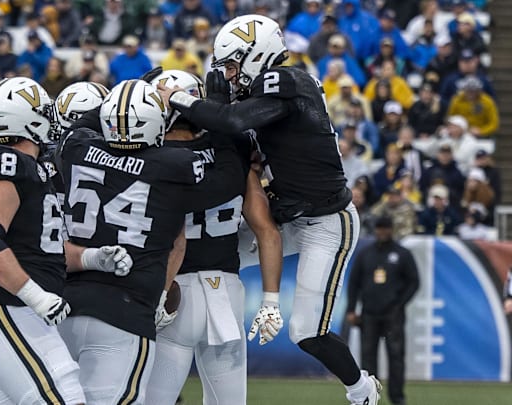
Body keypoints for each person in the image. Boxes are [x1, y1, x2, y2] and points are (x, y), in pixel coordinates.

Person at [158, 14, 382, 405]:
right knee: (213, 253)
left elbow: (233, 119)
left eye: (231, 65)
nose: (228, 76)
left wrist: (178, 98)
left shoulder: (288, 79)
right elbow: (234, 121)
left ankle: (362, 389)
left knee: (306, 331)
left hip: (329, 222)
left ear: (255, 54)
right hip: (291, 214)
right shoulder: (267, 92)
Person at [57, 79, 205, 404]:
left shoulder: (76, 149)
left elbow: (81, 126)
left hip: (67, 304)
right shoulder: (175, 165)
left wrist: (115, 104)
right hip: (126, 310)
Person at [145, 70, 283, 404]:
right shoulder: (231, 153)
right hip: (225, 292)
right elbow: (266, 230)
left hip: (171, 289)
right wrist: (271, 301)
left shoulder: (149, 157)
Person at [0, 77, 87, 405]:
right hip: (5, 305)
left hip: (17, 310)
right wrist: (36, 296)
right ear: (25, 119)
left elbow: (48, 249)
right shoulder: (4, 161)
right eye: (44, 111)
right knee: (63, 399)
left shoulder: (36, 168)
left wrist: (95, 257)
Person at [346, 216, 420, 405]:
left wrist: (399, 303)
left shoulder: (402, 254)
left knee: (396, 356)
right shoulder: (366, 254)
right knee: (368, 358)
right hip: (369, 313)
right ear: (375, 230)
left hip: (393, 314)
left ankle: (397, 397)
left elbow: (414, 282)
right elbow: (354, 283)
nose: (382, 232)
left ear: (391, 229)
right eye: (379, 228)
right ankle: (370, 396)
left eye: (385, 228)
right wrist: (351, 309)